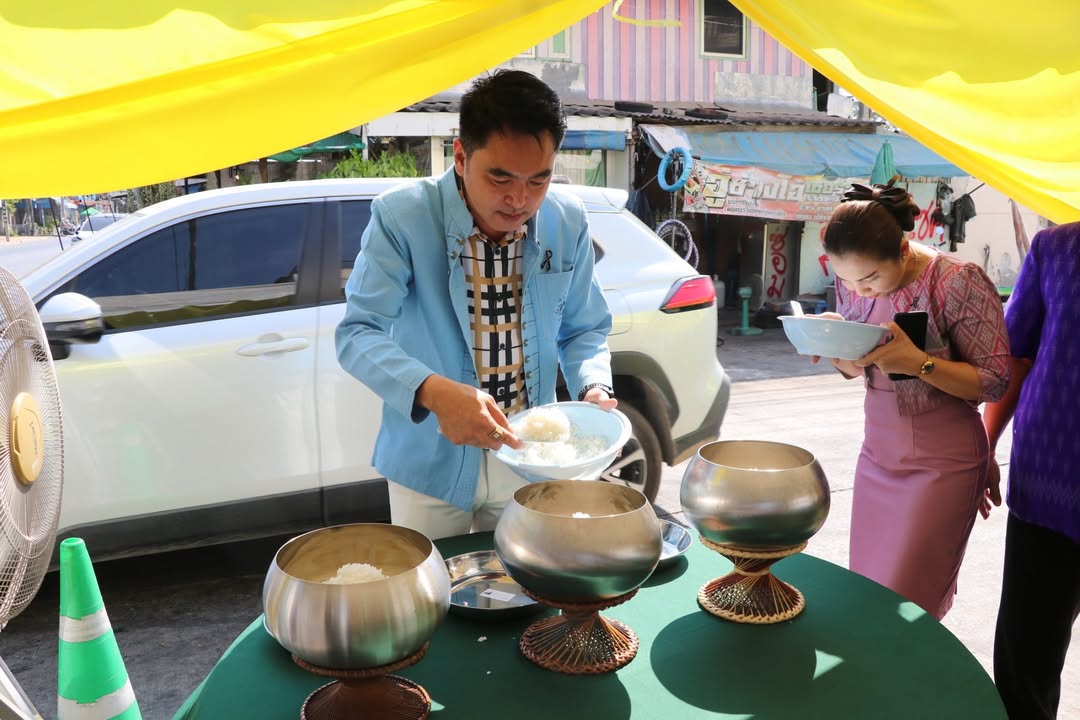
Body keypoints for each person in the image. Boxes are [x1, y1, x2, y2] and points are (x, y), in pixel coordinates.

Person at [335, 70, 616, 540]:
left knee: (525, 592)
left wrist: (593, 386)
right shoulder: (402, 217)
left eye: (538, 179)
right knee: (434, 597)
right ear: (461, 156)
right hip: (429, 459)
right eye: (500, 177)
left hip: (531, 454)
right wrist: (434, 391)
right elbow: (357, 333)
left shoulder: (567, 220)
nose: (518, 199)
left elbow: (584, 328)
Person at [814, 180, 1010, 619]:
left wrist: (921, 362)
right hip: (878, 455)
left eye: (869, 278)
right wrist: (834, 348)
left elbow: (995, 380)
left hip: (943, 464)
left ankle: (907, 685)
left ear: (903, 251)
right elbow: (864, 367)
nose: (860, 292)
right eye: (846, 280)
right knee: (867, 592)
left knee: (908, 604)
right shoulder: (853, 284)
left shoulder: (958, 281)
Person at [981, 221, 1080, 720]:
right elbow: (1013, 358)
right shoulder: (1057, 247)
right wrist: (985, 446)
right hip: (1050, 483)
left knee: (1027, 658)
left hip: (1051, 476)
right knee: (1025, 663)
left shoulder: (1059, 246)